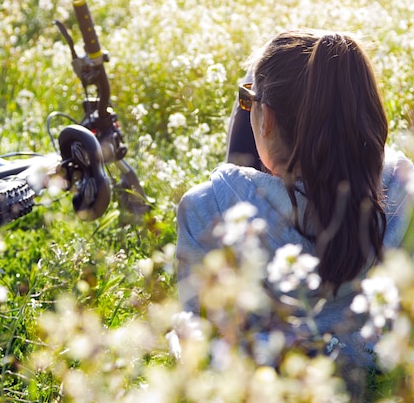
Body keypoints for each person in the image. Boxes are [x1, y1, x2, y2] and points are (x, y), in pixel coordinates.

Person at [176, 30, 414, 369]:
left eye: (248, 102)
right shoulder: (405, 192)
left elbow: (200, 334)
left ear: (266, 119)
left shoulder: (207, 206)